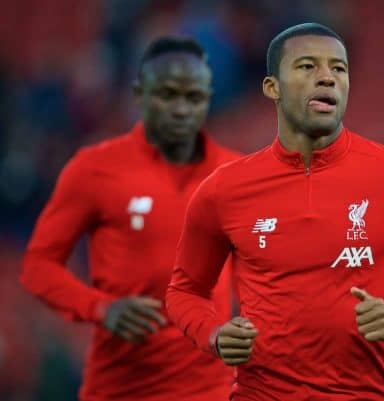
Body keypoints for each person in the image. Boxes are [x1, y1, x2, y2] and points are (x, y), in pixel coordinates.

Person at [166, 23, 384, 400]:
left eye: (339, 69)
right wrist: (214, 334)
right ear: (273, 87)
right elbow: (184, 291)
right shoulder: (224, 190)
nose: (327, 78)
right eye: (307, 67)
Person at [20, 37, 240, 401]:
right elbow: (38, 265)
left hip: (209, 390)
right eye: (167, 95)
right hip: (123, 387)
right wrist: (100, 308)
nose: (181, 110)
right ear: (139, 95)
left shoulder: (235, 175)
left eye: (194, 97)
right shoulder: (94, 170)